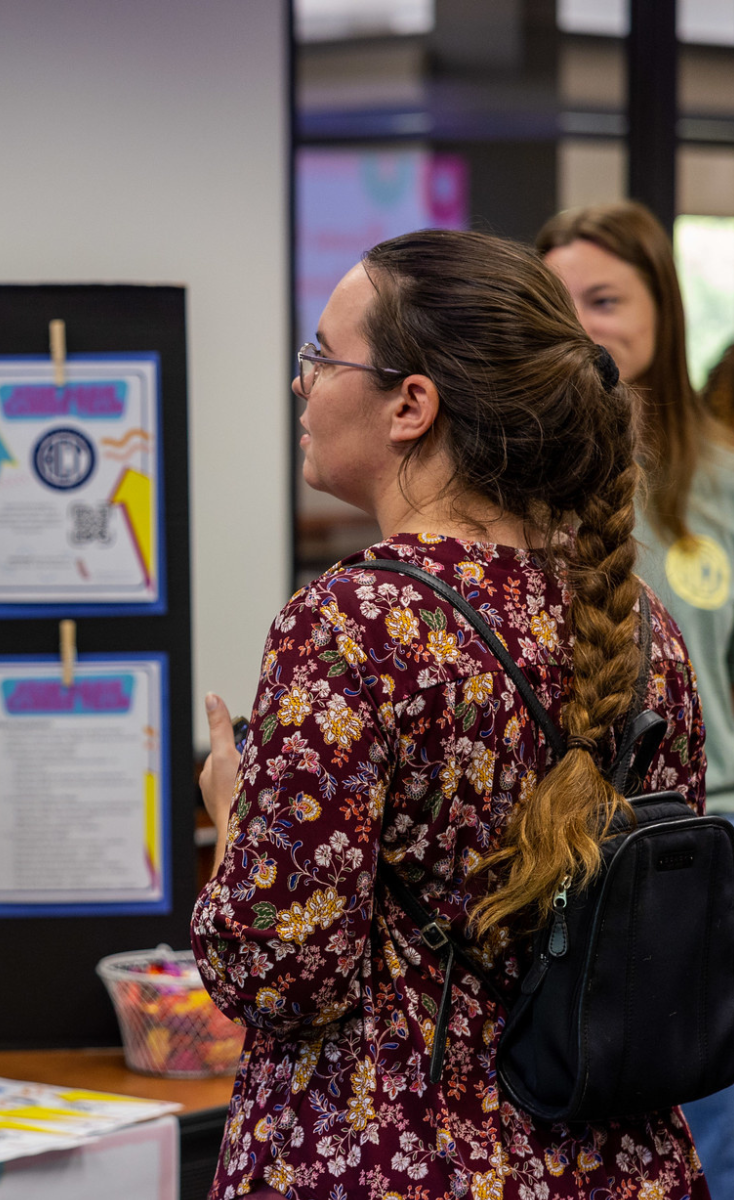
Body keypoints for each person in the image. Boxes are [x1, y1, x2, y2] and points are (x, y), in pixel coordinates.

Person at [192, 228, 709, 1199]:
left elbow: (279, 973)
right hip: (617, 1164)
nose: (302, 384)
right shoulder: (644, 630)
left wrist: (234, 819)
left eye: (321, 356)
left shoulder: (352, 626)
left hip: (399, 1156)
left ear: (411, 404)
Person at [539, 201, 734, 1195]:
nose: (580, 322)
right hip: (574, 875)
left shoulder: (724, 489)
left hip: (714, 872)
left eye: (604, 299)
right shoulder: (530, 493)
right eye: (556, 300)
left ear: (664, 308)